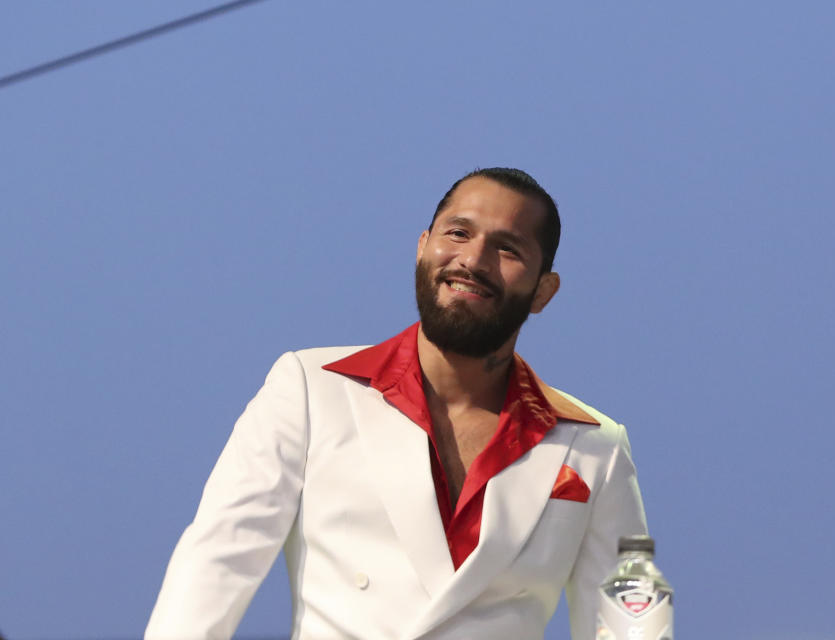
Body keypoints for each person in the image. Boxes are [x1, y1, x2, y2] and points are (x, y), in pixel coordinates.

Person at [145, 168, 649, 639]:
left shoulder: (596, 446)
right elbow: (216, 562)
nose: (473, 260)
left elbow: (635, 619)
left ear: (544, 291)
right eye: (457, 233)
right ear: (422, 247)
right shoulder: (310, 389)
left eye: (508, 248)